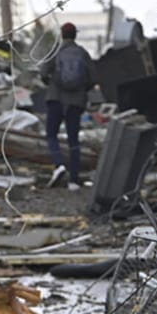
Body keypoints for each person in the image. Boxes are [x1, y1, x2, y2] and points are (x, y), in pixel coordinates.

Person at [40, 21, 97, 191]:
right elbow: (93, 78)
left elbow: (43, 73)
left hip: (56, 98)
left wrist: (52, 83)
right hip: (75, 102)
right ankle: (73, 180)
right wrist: (81, 90)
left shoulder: (56, 51)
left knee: (51, 135)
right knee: (74, 140)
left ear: (62, 35)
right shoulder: (82, 53)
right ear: (75, 35)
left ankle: (58, 165)